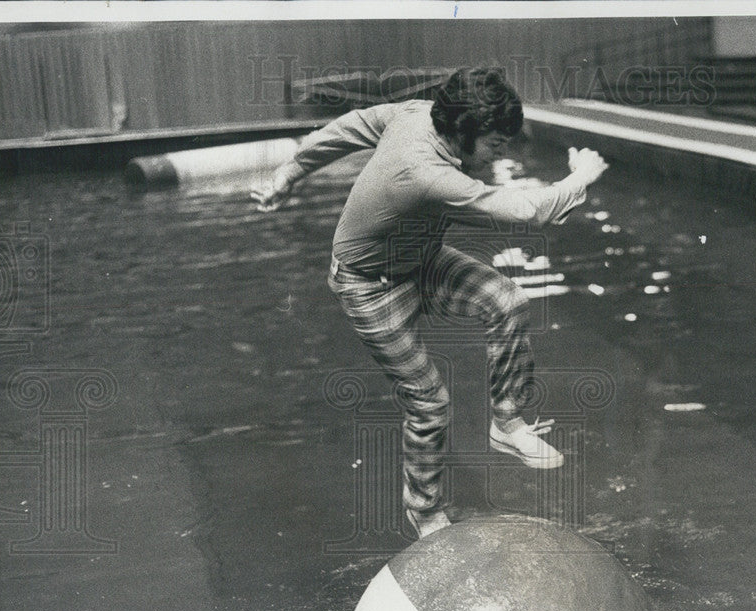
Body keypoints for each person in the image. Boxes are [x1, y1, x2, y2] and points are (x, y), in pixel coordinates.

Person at [252, 67, 608, 537]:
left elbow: (347, 127)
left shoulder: (415, 113)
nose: (499, 156)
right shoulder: (424, 173)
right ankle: (424, 511)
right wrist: (581, 176)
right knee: (429, 403)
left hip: (421, 259)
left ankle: (505, 421)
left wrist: (288, 174)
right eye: (495, 146)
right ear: (464, 132)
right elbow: (526, 211)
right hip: (369, 285)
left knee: (509, 301)